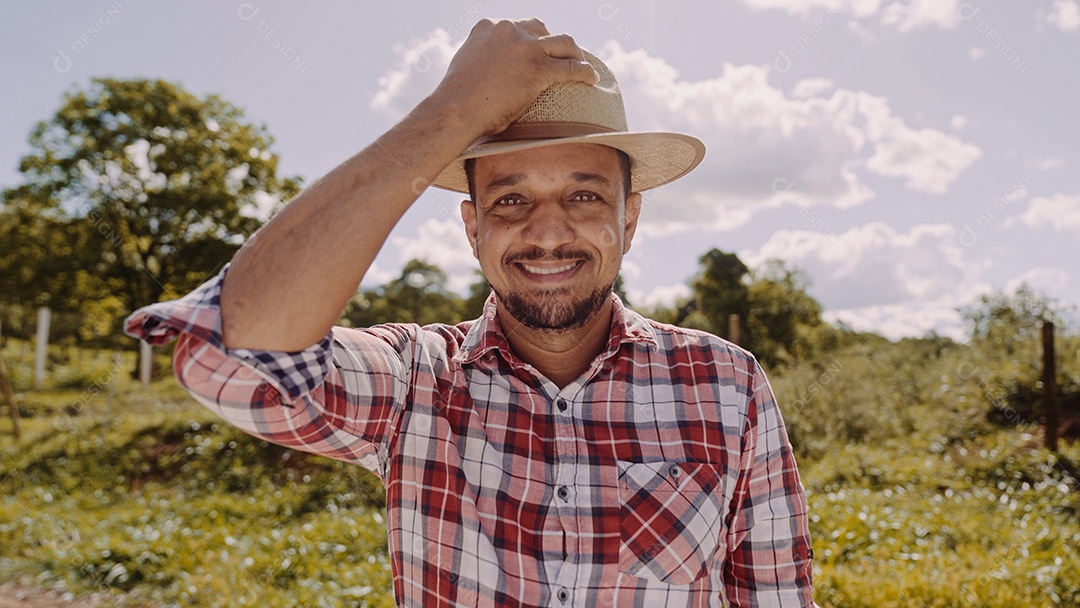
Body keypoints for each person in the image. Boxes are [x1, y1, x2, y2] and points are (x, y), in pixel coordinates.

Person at [126, 18, 816, 608]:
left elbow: (776, 592)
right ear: (471, 226)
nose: (548, 233)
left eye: (583, 197)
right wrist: (452, 112)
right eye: (512, 199)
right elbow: (234, 355)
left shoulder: (725, 382)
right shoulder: (415, 381)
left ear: (628, 219)